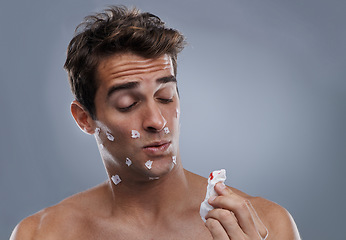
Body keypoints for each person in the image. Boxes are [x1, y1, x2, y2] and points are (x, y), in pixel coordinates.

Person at [10, 6, 300, 240]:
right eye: (128, 103)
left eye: (165, 96)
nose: (156, 120)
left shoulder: (267, 225)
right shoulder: (43, 234)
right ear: (85, 118)